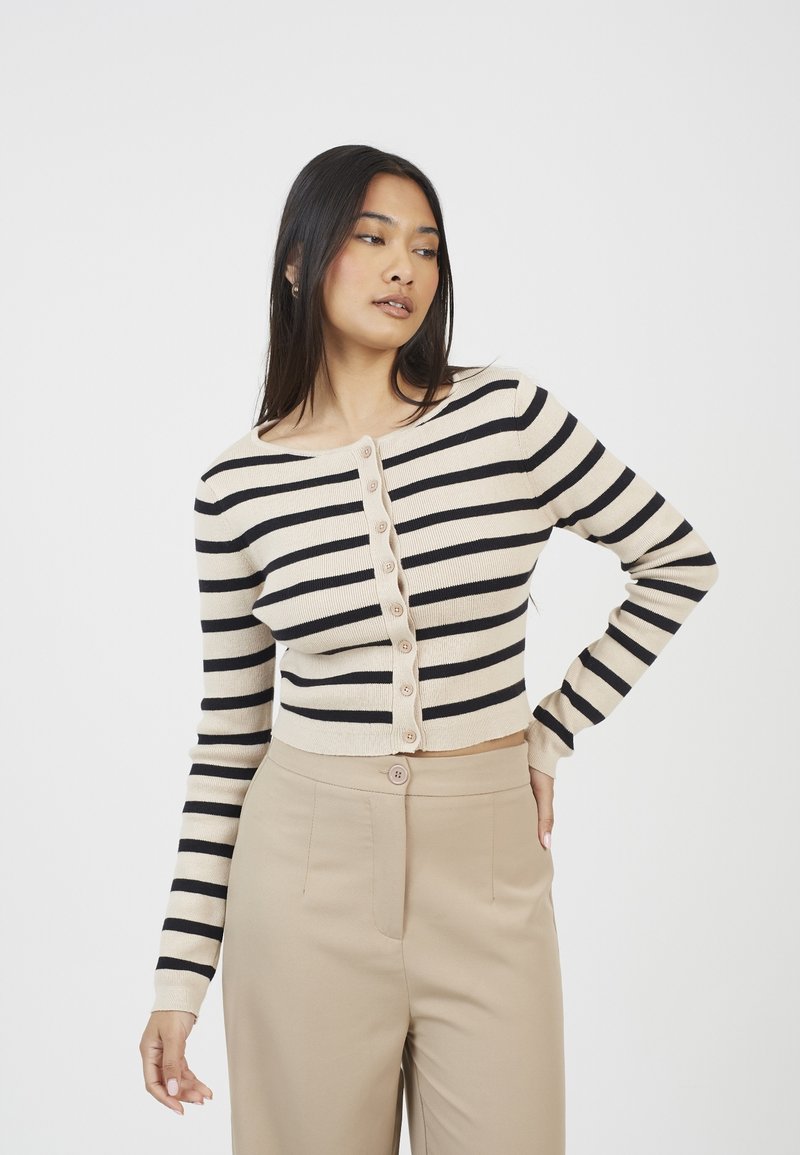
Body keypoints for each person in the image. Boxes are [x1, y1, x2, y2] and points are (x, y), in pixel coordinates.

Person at [139, 144, 719, 1154]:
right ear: (297, 260)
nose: (403, 267)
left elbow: (676, 559)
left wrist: (549, 733)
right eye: (371, 238)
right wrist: (179, 976)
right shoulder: (235, 488)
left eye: (425, 247)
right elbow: (230, 738)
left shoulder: (506, 415)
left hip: (486, 870)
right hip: (301, 879)